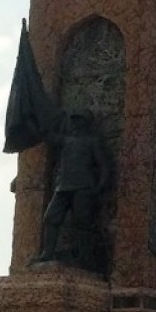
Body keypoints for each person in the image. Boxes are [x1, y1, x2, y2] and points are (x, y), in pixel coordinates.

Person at [35, 109, 110, 265]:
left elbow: (104, 166)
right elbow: (46, 135)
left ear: (86, 122)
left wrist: (99, 187)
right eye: (73, 120)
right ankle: (47, 253)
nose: (75, 123)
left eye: (79, 120)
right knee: (50, 218)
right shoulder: (66, 140)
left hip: (83, 187)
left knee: (83, 224)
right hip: (62, 188)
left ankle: (84, 258)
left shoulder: (92, 141)